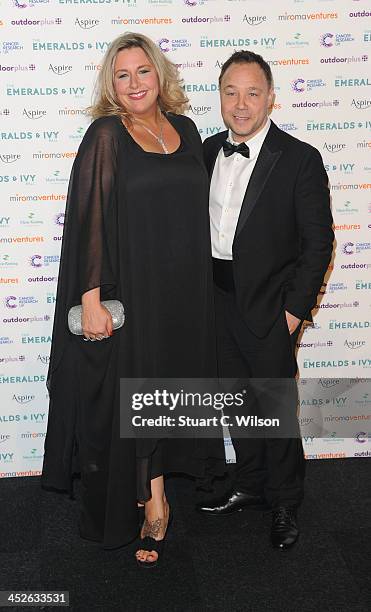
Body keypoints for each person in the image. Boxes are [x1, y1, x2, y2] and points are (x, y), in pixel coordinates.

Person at [41, 32, 224, 566]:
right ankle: (154, 501)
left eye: (143, 71)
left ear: (159, 75)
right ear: (111, 85)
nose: (134, 83)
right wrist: (91, 296)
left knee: (169, 391)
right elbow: (89, 218)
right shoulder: (106, 133)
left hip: (186, 291)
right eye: (122, 75)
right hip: (134, 289)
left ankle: (158, 490)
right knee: (135, 395)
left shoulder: (187, 131)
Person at [196, 50, 334, 549]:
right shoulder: (207, 151)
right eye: (230, 91)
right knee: (237, 402)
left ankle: (284, 502)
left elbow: (317, 242)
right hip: (215, 300)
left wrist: (294, 312)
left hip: (271, 308)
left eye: (252, 92)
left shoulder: (299, 158)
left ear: (271, 98)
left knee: (275, 408)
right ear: (220, 97)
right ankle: (250, 485)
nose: (240, 103)